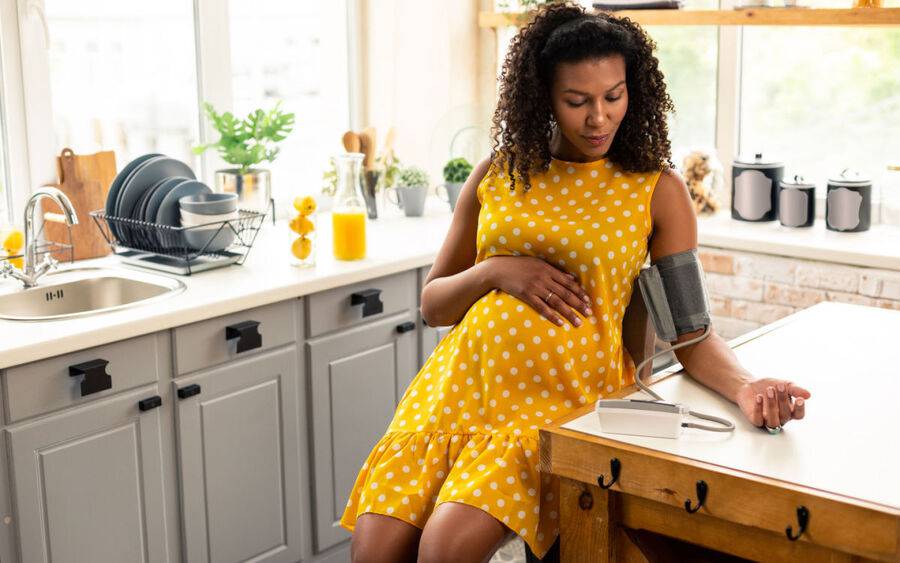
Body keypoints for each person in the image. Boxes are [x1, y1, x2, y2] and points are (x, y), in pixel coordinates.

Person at [341, 2, 811, 561]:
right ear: (543, 97)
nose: (599, 118)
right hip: (455, 394)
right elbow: (434, 305)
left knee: (445, 549)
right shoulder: (500, 171)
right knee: (374, 549)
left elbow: (690, 332)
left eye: (613, 96)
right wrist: (497, 271)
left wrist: (746, 387)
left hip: (555, 402)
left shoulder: (655, 189)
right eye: (577, 101)